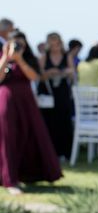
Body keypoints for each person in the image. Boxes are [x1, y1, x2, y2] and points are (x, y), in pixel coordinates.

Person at [0, 31, 62, 194]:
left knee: (28, 136)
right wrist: (6, 58)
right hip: (7, 101)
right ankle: (9, 179)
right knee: (7, 138)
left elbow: (34, 77)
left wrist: (19, 59)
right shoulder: (3, 56)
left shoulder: (29, 58)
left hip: (26, 102)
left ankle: (26, 174)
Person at [38, 32, 75, 161]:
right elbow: (39, 76)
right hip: (48, 94)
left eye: (57, 44)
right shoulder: (44, 57)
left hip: (62, 93)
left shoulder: (67, 56)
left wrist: (66, 72)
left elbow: (73, 73)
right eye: (52, 44)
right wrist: (49, 73)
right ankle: (49, 152)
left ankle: (65, 152)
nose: (55, 47)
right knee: (49, 123)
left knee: (64, 122)